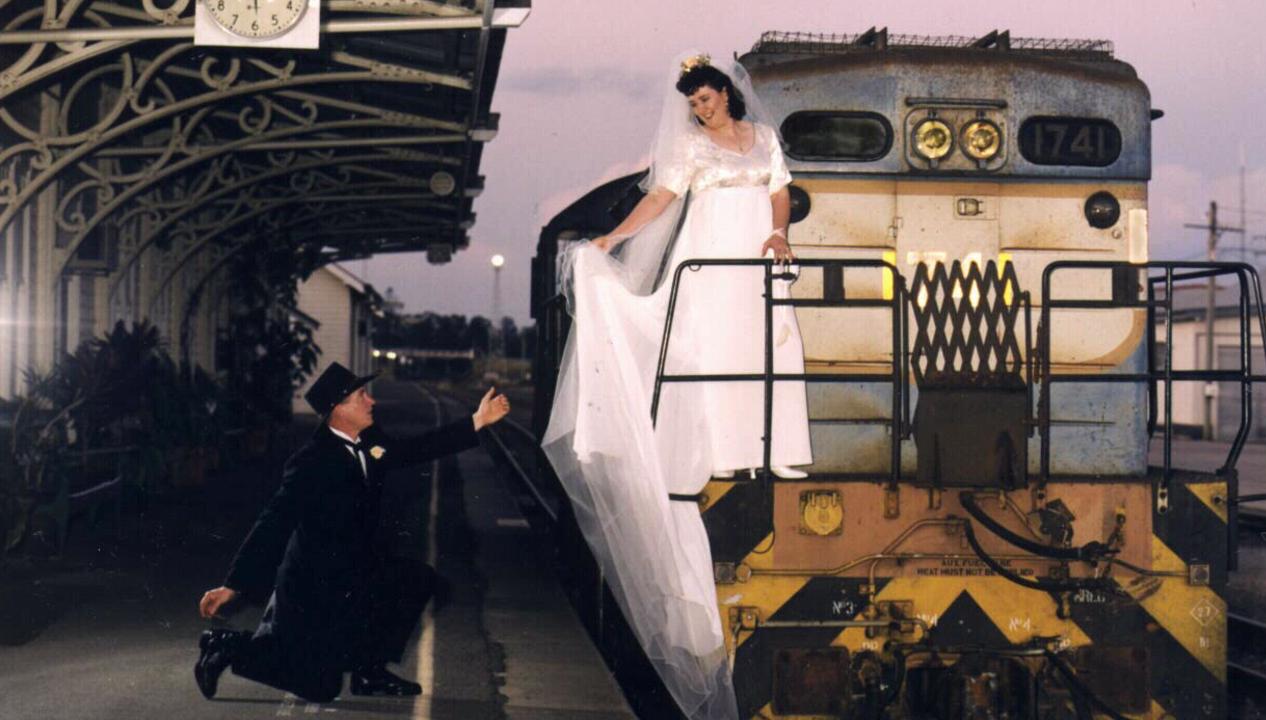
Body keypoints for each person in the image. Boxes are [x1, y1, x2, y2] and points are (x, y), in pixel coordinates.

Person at [542, 52, 813, 720]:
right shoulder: (689, 148)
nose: (699, 106)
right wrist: (610, 239)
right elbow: (663, 199)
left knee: (764, 337)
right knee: (706, 337)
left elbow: (779, 187)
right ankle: (712, 429)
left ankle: (759, 433)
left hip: (755, 250)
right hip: (710, 253)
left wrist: (778, 232)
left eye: (705, 96)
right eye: (691, 100)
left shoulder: (765, 142)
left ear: (726, 93)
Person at [193, 362, 510, 703]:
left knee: (418, 579)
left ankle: (368, 672)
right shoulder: (311, 462)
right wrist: (233, 584)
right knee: (320, 688)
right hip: (313, 588)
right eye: (361, 395)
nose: (371, 401)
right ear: (338, 408)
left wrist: (476, 421)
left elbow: (412, 451)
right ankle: (226, 647)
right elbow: (273, 522)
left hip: (358, 571)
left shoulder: (369, 440)